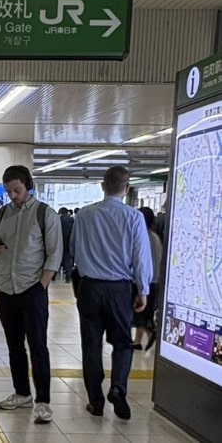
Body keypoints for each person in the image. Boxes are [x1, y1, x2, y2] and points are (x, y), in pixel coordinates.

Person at [70, 166, 153, 420]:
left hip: (90, 287)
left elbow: (73, 249)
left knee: (91, 346)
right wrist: (143, 289)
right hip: (119, 289)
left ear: (102, 186)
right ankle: (118, 387)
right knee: (122, 343)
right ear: (126, 189)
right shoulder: (134, 217)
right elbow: (141, 257)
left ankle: (96, 401)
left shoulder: (84, 214)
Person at [0, 165, 63, 425]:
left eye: (16, 190)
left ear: (28, 185)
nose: (13, 196)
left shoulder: (44, 214)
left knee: (38, 346)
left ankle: (43, 402)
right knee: (14, 345)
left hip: (32, 289)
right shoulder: (1, 215)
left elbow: (54, 253)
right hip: (6, 288)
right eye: (9, 192)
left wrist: (42, 284)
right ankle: (22, 393)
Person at [133, 207, 163, 351]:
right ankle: (137, 340)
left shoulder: (142, 237)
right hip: (155, 280)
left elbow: (140, 262)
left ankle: (148, 333)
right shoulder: (155, 237)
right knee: (145, 313)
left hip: (145, 280)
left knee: (139, 311)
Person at [58, 207, 75, 283]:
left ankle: (53, 276)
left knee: (57, 259)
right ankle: (68, 277)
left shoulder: (59, 220)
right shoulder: (72, 220)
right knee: (68, 260)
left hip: (60, 242)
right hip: (69, 242)